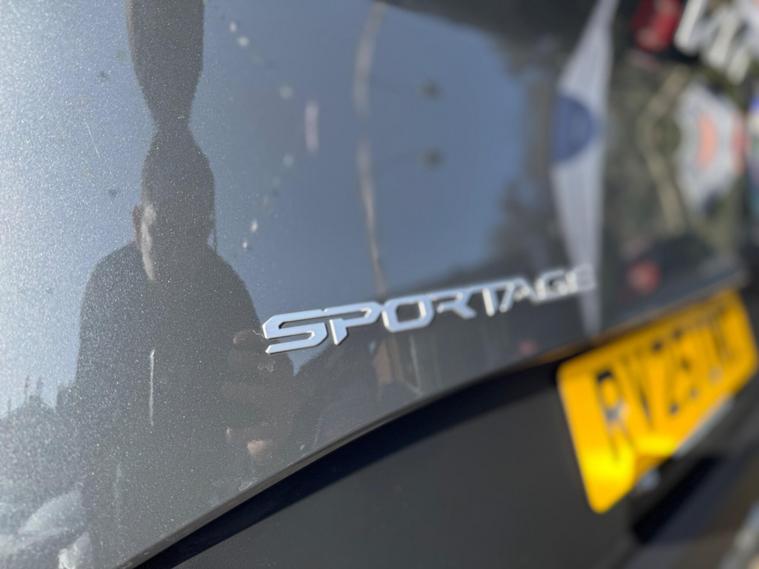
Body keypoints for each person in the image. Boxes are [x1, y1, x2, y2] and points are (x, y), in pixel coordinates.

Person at [72, 132, 266, 565]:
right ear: (136, 222)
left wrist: (268, 434)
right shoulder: (109, 285)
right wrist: (105, 541)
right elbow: (89, 425)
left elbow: (257, 425)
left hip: (215, 517)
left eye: (194, 233)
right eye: (164, 230)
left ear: (209, 228)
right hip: (121, 523)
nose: (178, 253)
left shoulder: (228, 294)